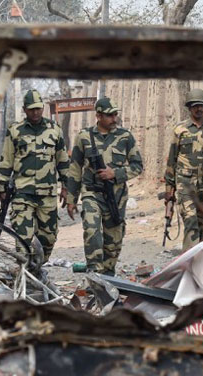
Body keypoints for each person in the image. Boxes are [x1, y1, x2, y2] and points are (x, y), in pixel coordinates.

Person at [66, 97, 143, 275]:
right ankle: (94, 272)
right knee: (91, 230)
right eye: (109, 115)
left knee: (114, 240)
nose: (114, 118)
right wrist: (71, 199)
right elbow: (75, 168)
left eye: (115, 114)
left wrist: (115, 174)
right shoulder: (84, 137)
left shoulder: (125, 136)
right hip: (91, 193)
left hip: (116, 196)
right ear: (98, 116)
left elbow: (137, 166)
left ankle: (108, 274)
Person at [0, 89, 69, 268]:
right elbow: (6, 160)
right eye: (31, 109)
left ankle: (37, 269)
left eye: (38, 108)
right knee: (23, 239)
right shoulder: (15, 131)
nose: (35, 112)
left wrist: (67, 187)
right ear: (24, 109)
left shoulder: (54, 130)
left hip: (48, 194)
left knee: (49, 237)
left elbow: (62, 161)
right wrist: (2, 187)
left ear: (43, 107)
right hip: (23, 193)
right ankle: (24, 277)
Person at [162, 89, 203, 252]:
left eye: (202, 106)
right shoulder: (180, 130)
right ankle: (188, 265)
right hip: (185, 185)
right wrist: (169, 190)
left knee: (201, 224)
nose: (199, 109)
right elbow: (172, 160)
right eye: (195, 106)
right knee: (190, 222)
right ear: (189, 108)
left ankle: (197, 260)